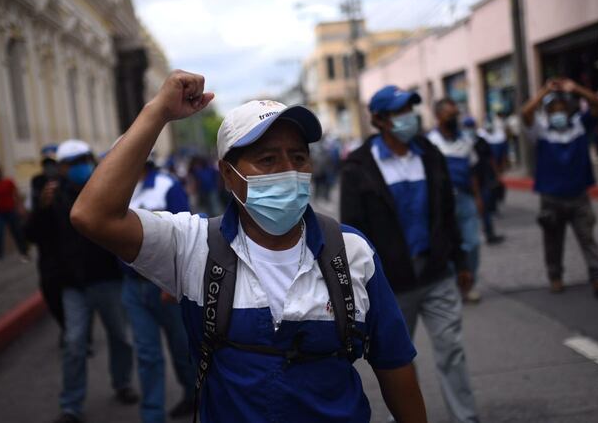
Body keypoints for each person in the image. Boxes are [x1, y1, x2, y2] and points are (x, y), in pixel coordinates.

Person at [70, 70, 428, 423]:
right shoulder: (194, 247)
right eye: (268, 160)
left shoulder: (352, 252)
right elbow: (93, 216)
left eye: (299, 157)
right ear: (228, 174)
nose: (289, 171)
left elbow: (394, 364)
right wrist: (157, 112)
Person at [341, 85, 479, 423]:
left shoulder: (430, 154)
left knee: (453, 351)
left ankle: (467, 418)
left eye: (410, 110)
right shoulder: (358, 167)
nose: (409, 118)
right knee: (398, 362)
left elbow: (448, 214)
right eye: (400, 112)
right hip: (391, 285)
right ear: (380, 119)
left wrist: (460, 261)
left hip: (437, 275)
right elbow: (352, 232)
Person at [27, 139, 138, 423]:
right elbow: (33, 235)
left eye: (84, 161)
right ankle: (71, 405)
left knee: (121, 338)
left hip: (108, 279)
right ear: (62, 168)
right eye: (73, 164)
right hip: (73, 284)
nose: (81, 168)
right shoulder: (52, 198)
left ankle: (122, 383)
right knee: (75, 343)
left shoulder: (103, 190)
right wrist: (42, 208)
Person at [521, 78, 598, 297]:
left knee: (587, 238)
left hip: (579, 195)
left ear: (568, 110)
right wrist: (544, 90)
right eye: (553, 110)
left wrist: (575, 89)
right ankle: (555, 276)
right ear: (547, 113)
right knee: (553, 241)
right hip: (551, 197)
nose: (558, 113)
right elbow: (525, 112)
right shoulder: (541, 131)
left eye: (562, 109)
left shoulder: (579, 126)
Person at [121, 158, 197, 422]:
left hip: (165, 286)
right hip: (133, 287)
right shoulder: (121, 188)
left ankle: (194, 397)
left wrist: (175, 280)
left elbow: (185, 236)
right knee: (146, 353)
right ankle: (152, 415)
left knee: (182, 348)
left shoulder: (167, 186)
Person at [427, 99, 484, 303]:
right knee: (448, 246)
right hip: (442, 203)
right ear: (438, 116)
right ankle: (453, 285)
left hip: (465, 199)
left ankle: (468, 284)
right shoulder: (430, 142)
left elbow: (473, 172)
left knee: (473, 243)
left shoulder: (465, 141)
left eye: (455, 115)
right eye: (449, 115)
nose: (453, 119)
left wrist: (477, 198)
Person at [25, 145, 65, 333]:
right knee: (53, 297)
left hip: (71, 260)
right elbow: (31, 232)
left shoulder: (69, 185)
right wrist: (42, 206)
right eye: (47, 164)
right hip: (49, 260)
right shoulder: (37, 184)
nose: (50, 169)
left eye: (54, 164)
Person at [464, 118, 505, 245]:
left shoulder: (481, 141)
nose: (470, 129)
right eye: (467, 127)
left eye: (471, 126)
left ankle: (489, 233)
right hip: (466, 183)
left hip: (483, 179)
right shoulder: (462, 142)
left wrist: (497, 174)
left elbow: (491, 158)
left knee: (485, 207)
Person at [0, 163, 29, 266]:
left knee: (17, 232)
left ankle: (24, 253)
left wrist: (20, 207)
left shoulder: (8, 182)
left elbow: (16, 195)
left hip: (11, 211)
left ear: (1, 171)